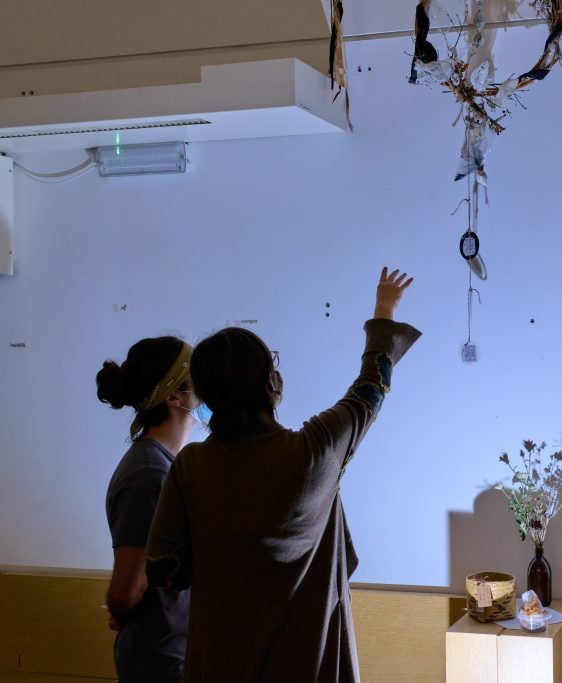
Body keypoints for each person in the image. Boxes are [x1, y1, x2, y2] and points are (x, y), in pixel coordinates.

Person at [146, 267, 419, 682]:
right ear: (270, 384)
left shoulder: (190, 467)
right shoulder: (315, 453)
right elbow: (371, 389)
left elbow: (164, 570)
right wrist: (384, 308)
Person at [96, 336, 196, 683]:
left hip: (175, 654)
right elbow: (125, 590)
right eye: (197, 377)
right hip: (161, 663)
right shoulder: (149, 474)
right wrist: (121, 608)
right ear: (174, 396)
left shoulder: (164, 465)